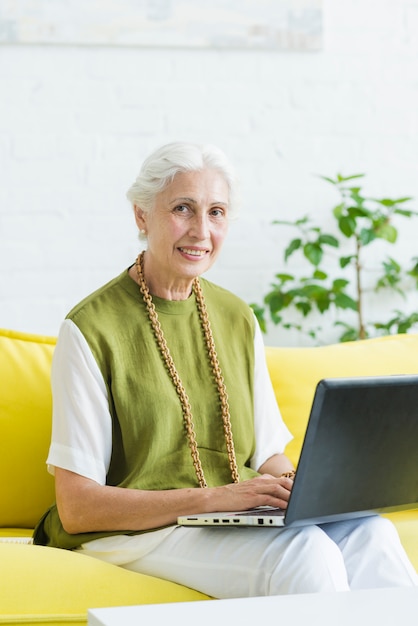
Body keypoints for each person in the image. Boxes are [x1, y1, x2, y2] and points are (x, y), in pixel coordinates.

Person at [34, 141, 418, 597]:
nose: (201, 230)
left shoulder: (236, 316)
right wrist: (215, 499)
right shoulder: (90, 328)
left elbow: (268, 455)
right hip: (135, 535)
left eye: (216, 212)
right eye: (183, 208)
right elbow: (78, 508)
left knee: (370, 534)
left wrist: (304, 487)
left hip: (230, 516)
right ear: (142, 215)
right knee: (303, 552)